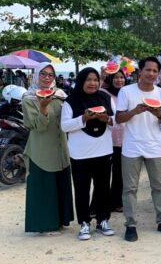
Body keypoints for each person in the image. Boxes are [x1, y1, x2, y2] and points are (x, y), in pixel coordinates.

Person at [115, 56, 161, 242]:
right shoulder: (126, 91)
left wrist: (158, 114)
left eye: (155, 71)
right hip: (131, 146)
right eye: (148, 70)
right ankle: (130, 224)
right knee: (130, 188)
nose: (151, 74)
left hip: (154, 145)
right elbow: (118, 118)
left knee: (158, 186)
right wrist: (135, 111)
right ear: (140, 71)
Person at [61, 68, 115, 240]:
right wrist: (83, 119)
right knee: (82, 190)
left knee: (103, 188)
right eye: (88, 80)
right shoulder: (70, 101)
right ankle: (84, 223)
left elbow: (116, 121)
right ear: (81, 81)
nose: (93, 83)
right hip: (80, 154)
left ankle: (103, 220)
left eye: (95, 80)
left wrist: (107, 119)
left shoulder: (105, 98)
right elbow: (64, 126)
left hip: (103, 151)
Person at [23, 63, 74, 235]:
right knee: (44, 186)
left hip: (61, 148)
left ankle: (60, 221)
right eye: (43, 74)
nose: (46, 78)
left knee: (59, 185)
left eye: (50, 75)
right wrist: (43, 107)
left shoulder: (60, 95)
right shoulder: (29, 99)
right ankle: (45, 225)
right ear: (36, 75)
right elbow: (36, 126)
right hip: (41, 149)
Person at [101, 69, 126, 212]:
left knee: (119, 174)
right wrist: (101, 77)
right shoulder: (104, 93)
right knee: (103, 175)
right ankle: (98, 205)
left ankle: (117, 202)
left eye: (121, 77)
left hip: (124, 140)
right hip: (107, 140)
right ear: (110, 79)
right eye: (115, 77)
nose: (119, 80)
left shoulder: (126, 93)